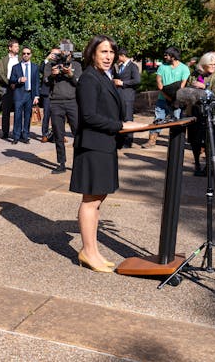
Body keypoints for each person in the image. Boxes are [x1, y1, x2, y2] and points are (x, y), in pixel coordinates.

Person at [70, 35, 145, 272]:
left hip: (104, 145)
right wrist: (121, 126)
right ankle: (88, 252)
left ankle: (92, 250)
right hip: (93, 147)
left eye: (111, 52)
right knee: (90, 200)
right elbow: (89, 116)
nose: (108, 57)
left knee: (98, 200)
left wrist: (123, 123)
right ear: (92, 53)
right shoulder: (88, 79)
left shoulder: (104, 76)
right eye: (103, 52)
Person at [141, 47, 190, 148]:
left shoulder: (184, 68)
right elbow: (159, 82)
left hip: (176, 100)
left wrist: (173, 99)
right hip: (162, 98)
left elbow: (182, 86)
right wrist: (166, 95)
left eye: (167, 55)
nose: (165, 56)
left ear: (173, 56)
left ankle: (176, 144)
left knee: (176, 121)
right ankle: (152, 141)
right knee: (158, 119)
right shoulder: (162, 67)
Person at [44, 41, 82, 172]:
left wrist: (70, 74)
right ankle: (61, 163)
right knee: (58, 134)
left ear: (71, 51)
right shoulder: (51, 64)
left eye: (68, 50)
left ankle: (79, 162)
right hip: (56, 103)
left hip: (72, 102)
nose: (65, 53)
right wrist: (53, 75)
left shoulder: (76, 65)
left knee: (77, 132)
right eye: (63, 50)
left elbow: (79, 83)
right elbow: (46, 82)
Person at [186, 52, 215, 176]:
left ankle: (209, 167)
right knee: (194, 140)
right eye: (210, 64)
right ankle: (197, 164)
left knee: (209, 141)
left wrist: (203, 87)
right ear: (204, 64)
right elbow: (187, 90)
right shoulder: (194, 75)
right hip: (194, 111)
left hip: (209, 113)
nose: (213, 66)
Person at [9, 46, 39, 144]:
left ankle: (25, 135)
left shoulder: (35, 67)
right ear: (21, 54)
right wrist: (18, 80)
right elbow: (11, 80)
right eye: (24, 53)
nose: (25, 55)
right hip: (19, 94)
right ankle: (16, 136)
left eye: (28, 53)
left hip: (30, 95)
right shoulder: (16, 67)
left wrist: (36, 96)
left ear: (31, 55)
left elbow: (37, 82)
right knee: (17, 116)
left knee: (27, 116)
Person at [113, 47, 141, 148]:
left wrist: (123, 83)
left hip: (128, 96)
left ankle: (128, 141)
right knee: (120, 118)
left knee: (128, 118)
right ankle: (120, 141)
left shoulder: (133, 66)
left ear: (122, 56)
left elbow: (137, 80)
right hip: (120, 95)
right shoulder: (120, 66)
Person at [0, 39, 20, 140]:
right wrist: (10, 83)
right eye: (15, 46)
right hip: (6, 88)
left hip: (19, 87)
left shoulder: (20, 59)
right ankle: (5, 132)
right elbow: (1, 74)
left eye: (18, 46)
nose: (17, 48)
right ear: (10, 48)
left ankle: (17, 132)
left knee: (18, 111)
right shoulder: (3, 60)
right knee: (6, 112)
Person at [37, 49, 56, 143]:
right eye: (53, 53)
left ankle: (57, 134)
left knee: (57, 115)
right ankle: (44, 134)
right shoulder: (46, 62)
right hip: (47, 92)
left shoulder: (60, 63)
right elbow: (40, 69)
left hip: (57, 92)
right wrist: (47, 59)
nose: (55, 55)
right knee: (47, 114)